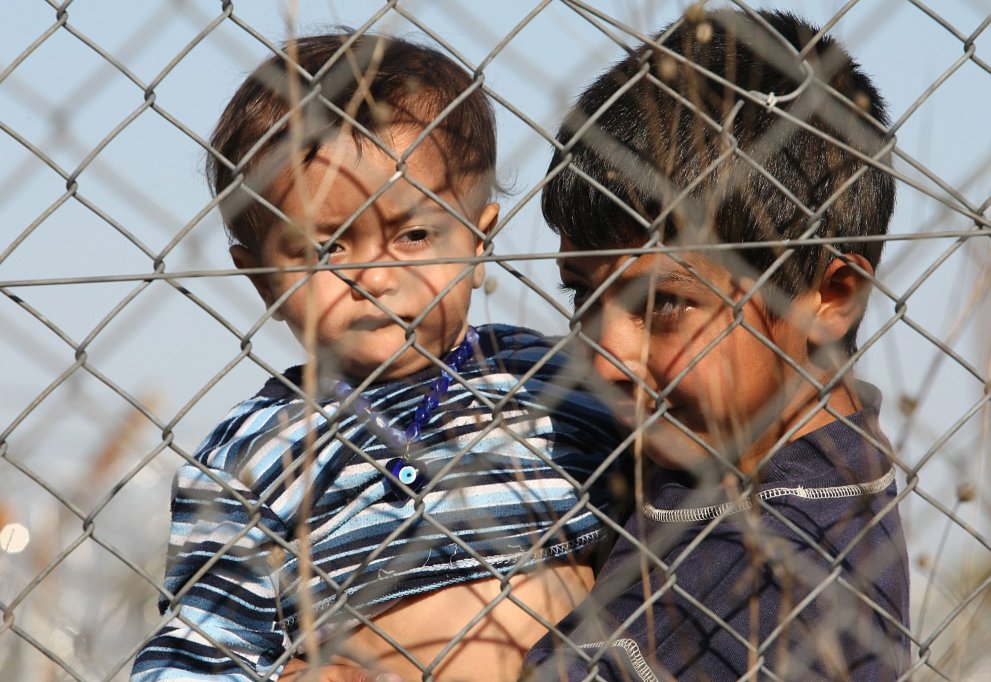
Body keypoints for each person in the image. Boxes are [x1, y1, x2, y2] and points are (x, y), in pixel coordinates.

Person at [131, 34, 625, 682]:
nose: (374, 277)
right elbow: (199, 651)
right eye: (327, 248)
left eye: (414, 235)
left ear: (478, 244)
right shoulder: (254, 455)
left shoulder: (556, 381)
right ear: (263, 281)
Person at [520, 8, 911, 680]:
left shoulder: (775, 569)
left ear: (829, 296)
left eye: (664, 305)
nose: (604, 359)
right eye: (582, 297)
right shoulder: (739, 460)